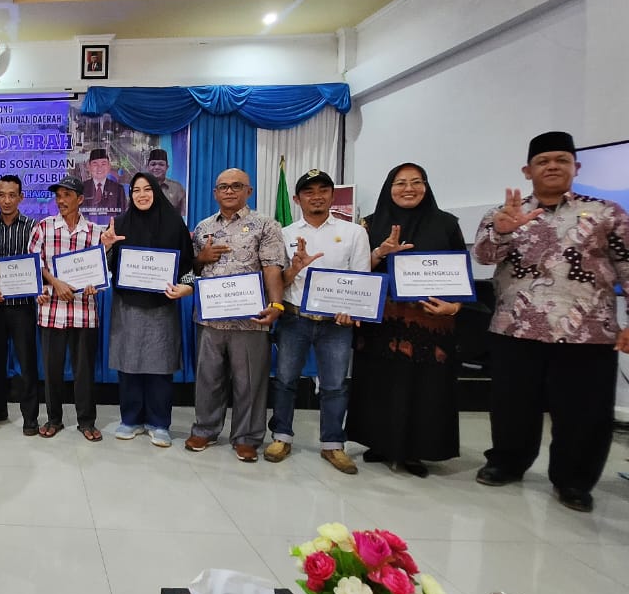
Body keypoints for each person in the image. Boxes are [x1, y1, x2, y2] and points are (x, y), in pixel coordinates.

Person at [473, 131, 629, 513]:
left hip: (587, 332)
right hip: (516, 327)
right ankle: (506, 462)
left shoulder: (607, 213)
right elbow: (483, 255)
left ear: (576, 166)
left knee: (584, 412)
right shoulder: (504, 213)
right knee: (513, 406)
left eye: (561, 159)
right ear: (528, 171)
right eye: (543, 161)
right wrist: (504, 229)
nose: (553, 166)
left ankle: (574, 481)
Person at [347, 163, 467, 477]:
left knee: (424, 388)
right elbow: (359, 272)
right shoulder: (369, 225)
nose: (408, 188)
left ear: (426, 187)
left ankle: (416, 450)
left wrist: (453, 307)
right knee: (380, 383)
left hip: (430, 324)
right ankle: (379, 442)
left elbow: (463, 275)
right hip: (382, 324)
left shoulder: (446, 224)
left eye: (416, 182)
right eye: (400, 183)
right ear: (389, 188)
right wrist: (379, 253)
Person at [267, 170, 371, 473]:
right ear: (298, 199)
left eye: (323, 190)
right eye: (309, 191)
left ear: (332, 195)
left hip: (336, 323)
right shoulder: (283, 234)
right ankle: (281, 436)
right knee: (285, 381)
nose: (317, 196)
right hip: (294, 317)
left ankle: (333, 444)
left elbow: (361, 279)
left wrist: (352, 309)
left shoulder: (354, 233)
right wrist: (295, 267)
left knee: (335, 385)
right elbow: (279, 283)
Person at [184, 168, 287, 462]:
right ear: (215, 193)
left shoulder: (266, 225)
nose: (229, 191)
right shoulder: (203, 228)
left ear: (248, 192)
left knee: (250, 382)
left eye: (236, 186)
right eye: (223, 187)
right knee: (208, 379)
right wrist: (199, 259)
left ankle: (247, 437)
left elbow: (272, 267)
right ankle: (204, 429)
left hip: (250, 320)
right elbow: (190, 275)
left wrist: (277, 305)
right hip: (209, 319)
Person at [101, 173, 193, 447]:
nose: (141, 195)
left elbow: (188, 267)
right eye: (136, 190)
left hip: (161, 306)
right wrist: (106, 247)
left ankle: (159, 422)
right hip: (127, 305)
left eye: (147, 189)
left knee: (159, 365)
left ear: (156, 191)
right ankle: (130, 419)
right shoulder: (120, 223)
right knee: (128, 364)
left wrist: (186, 288)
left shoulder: (175, 223)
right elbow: (107, 267)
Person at [29, 175, 103, 441]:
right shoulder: (44, 227)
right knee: (52, 370)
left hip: (84, 310)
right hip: (51, 310)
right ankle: (54, 418)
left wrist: (94, 284)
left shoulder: (95, 231)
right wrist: (55, 282)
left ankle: (86, 421)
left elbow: (100, 269)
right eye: (58, 196)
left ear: (81, 199)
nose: (61, 200)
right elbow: (35, 262)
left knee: (84, 372)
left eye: (67, 195)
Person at [0, 174, 39, 432]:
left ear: (20, 197)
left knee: (26, 361)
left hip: (23, 307)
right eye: (1, 195)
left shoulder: (32, 227)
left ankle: (30, 416)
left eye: (12, 195)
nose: (6, 200)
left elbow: (41, 262)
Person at [81, 148, 126, 224]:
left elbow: (123, 215)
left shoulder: (118, 189)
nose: (99, 168)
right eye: (95, 164)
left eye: (103, 164)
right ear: (89, 166)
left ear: (109, 166)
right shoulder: (81, 188)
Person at [145, 148, 187, 215]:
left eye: (161, 164)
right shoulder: (139, 188)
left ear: (167, 167)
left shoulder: (177, 188)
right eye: (153, 164)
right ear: (147, 167)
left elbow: (184, 217)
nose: (157, 167)